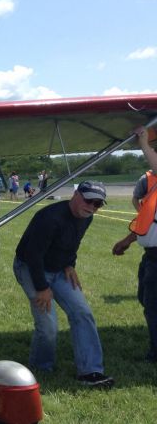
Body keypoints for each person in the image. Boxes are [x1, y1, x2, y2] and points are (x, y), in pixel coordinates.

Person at [13, 180, 114, 386]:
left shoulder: (86, 218)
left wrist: (70, 265)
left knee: (82, 313)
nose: (92, 207)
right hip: (31, 267)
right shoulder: (50, 218)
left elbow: (73, 243)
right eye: (89, 201)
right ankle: (41, 368)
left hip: (59, 269)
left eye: (98, 204)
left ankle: (90, 372)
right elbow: (33, 255)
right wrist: (42, 287)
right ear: (76, 195)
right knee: (48, 324)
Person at [111, 126, 157, 364]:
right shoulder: (147, 181)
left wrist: (144, 143)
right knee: (145, 298)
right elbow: (146, 219)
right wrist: (127, 241)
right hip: (151, 254)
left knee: (152, 306)